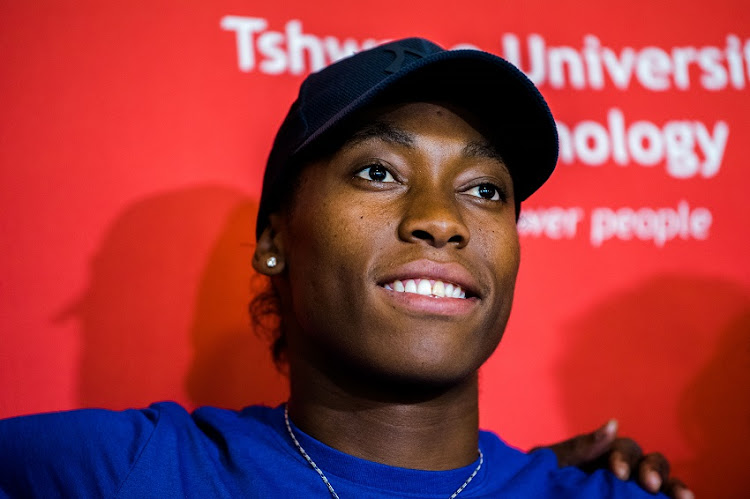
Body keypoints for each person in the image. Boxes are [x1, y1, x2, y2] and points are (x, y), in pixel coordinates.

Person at [0, 37, 692, 498]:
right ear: (276, 238)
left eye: (484, 189)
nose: (443, 219)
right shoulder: (133, 471)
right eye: (378, 171)